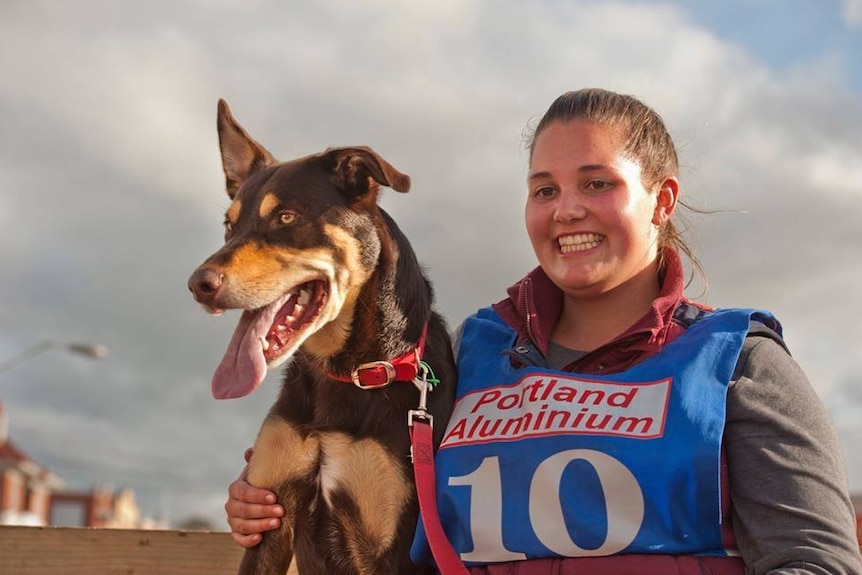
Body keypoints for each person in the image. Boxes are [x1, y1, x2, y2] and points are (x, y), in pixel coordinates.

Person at [223, 89, 862, 574]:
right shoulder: (469, 353)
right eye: (544, 188)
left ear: (662, 202)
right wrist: (274, 495)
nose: (566, 209)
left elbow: (817, 560)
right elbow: (371, 477)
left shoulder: (738, 362)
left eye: (597, 183)